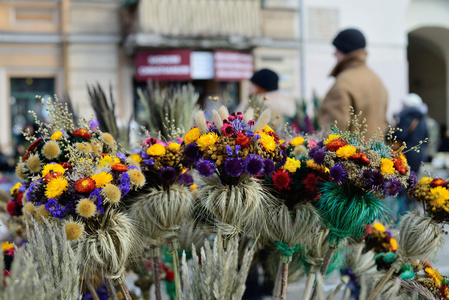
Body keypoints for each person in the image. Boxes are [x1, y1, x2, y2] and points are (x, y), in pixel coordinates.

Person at [319, 28, 388, 137]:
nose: (334, 53)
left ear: (344, 50)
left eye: (337, 49)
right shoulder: (376, 79)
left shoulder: (343, 83)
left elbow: (332, 134)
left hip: (353, 153)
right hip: (378, 152)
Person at [395, 93, 428, 174]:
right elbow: (426, 137)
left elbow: (400, 135)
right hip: (420, 153)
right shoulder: (422, 118)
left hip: (407, 153)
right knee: (414, 179)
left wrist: (390, 134)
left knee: (405, 180)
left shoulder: (406, 117)